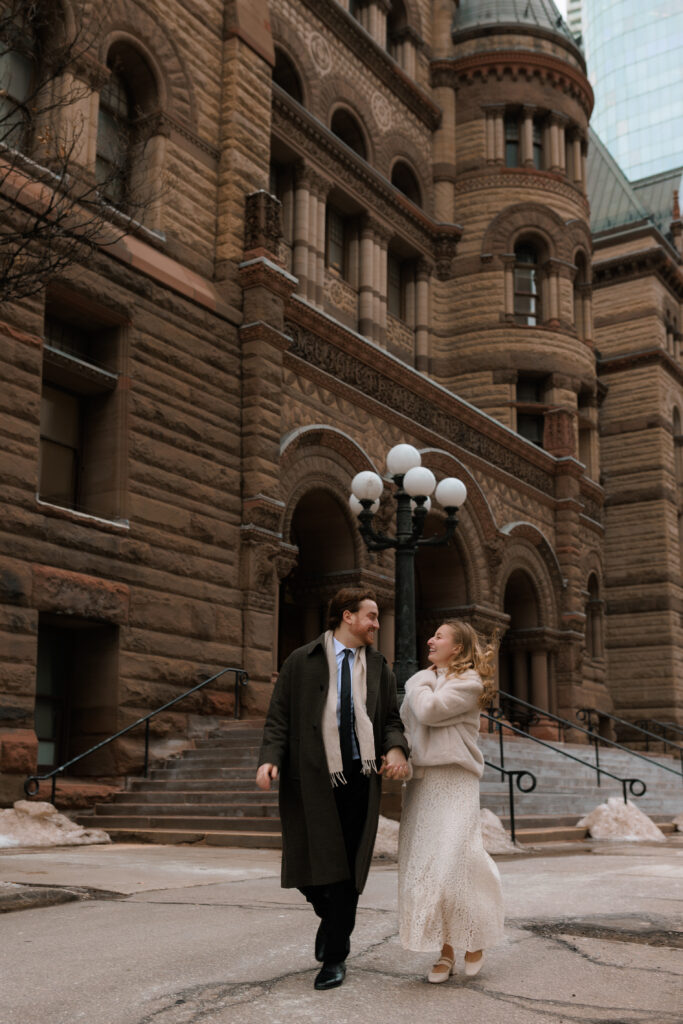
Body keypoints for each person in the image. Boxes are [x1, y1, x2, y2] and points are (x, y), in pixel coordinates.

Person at [256, 586, 409, 991]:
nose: (377, 623)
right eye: (371, 616)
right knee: (308, 865)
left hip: (360, 776)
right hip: (309, 776)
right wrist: (270, 757)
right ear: (347, 616)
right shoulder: (300, 661)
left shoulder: (378, 666)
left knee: (346, 868)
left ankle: (334, 955)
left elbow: (391, 718)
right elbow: (278, 717)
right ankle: (331, 916)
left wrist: (394, 748)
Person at [398, 619, 505, 983]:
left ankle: (474, 936)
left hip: (455, 780)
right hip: (422, 783)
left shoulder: (469, 683)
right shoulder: (429, 681)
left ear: (457, 647)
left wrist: (416, 681)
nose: (430, 639)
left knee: (459, 862)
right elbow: (409, 723)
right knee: (428, 870)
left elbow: (428, 710)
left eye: (439, 636)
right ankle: (444, 951)